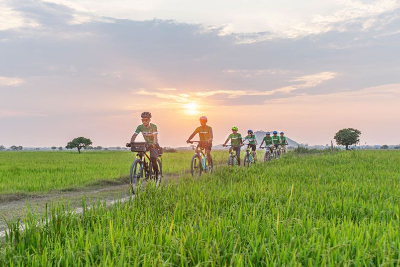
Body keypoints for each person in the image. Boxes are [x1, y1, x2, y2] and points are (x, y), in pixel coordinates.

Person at [126, 112, 161, 178]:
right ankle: (144, 166)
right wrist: (131, 143)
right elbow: (134, 135)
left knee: (153, 160)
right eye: (143, 120)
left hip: (154, 144)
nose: (144, 122)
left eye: (146, 120)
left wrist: (154, 143)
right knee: (140, 153)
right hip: (147, 143)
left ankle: (157, 176)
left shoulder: (153, 126)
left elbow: (155, 136)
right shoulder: (140, 127)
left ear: (149, 120)